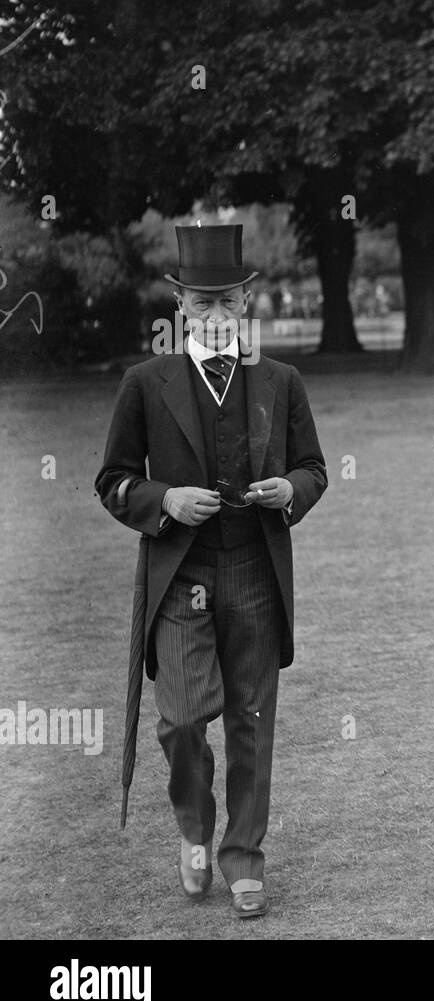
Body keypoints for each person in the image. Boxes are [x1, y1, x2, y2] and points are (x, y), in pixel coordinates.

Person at [94, 225, 327, 919]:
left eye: (228, 301)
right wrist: (162, 498)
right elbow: (110, 479)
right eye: (202, 303)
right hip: (181, 576)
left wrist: (291, 490)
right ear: (179, 304)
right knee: (182, 720)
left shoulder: (281, 380)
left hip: (254, 567)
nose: (216, 317)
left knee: (252, 719)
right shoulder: (144, 383)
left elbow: (313, 469)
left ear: (247, 300)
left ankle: (244, 858)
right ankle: (194, 826)